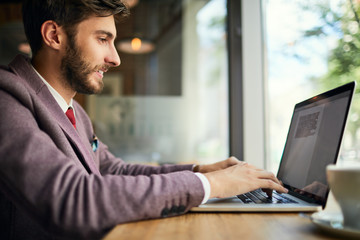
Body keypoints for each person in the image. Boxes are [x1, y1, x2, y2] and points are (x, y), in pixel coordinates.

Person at [0, 0, 288, 239]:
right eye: (102, 39)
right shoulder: (6, 98)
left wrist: (200, 169)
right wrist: (209, 185)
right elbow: (72, 197)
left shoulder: (72, 110)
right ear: (54, 35)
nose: (115, 58)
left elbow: (114, 171)